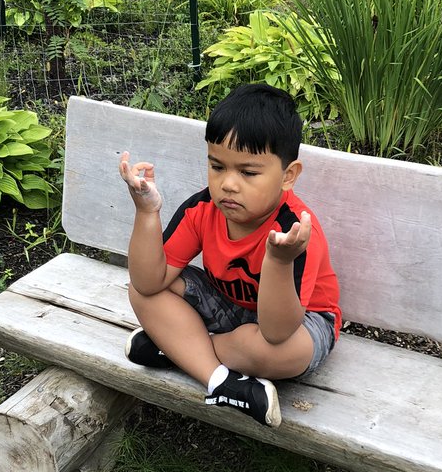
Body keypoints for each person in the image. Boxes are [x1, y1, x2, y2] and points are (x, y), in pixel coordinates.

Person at [118, 83, 342, 429]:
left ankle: (179, 348)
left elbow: (277, 332)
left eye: (248, 172)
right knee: (140, 289)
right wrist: (147, 212)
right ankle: (220, 380)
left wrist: (280, 262)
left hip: (299, 323)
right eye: (218, 166)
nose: (228, 184)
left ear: (288, 175)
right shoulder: (202, 208)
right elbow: (149, 281)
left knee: (284, 353)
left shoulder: (294, 231)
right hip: (228, 309)